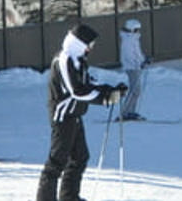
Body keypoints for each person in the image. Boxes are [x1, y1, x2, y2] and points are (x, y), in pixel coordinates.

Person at [35, 24, 126, 201]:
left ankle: (69, 197)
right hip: (63, 117)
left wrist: (110, 90)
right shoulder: (64, 60)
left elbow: (89, 83)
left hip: (75, 115)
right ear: (78, 43)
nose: (90, 48)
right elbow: (76, 90)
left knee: (80, 157)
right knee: (57, 162)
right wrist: (103, 99)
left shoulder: (78, 61)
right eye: (89, 44)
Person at [117, 18, 148, 121]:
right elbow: (130, 56)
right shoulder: (128, 40)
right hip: (132, 68)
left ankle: (131, 111)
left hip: (135, 67)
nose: (138, 31)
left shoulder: (132, 39)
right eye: (136, 29)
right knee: (134, 90)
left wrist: (143, 59)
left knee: (136, 90)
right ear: (132, 29)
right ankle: (125, 112)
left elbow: (137, 54)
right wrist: (140, 63)